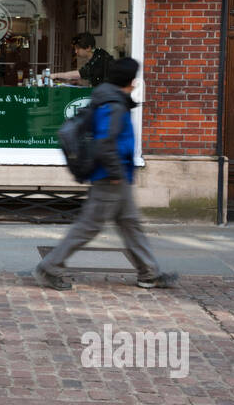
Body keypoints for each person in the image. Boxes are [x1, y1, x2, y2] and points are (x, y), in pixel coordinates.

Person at [33, 57, 179, 290]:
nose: (135, 84)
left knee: (131, 225)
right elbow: (105, 142)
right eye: (134, 79)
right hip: (111, 176)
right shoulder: (113, 104)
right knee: (88, 227)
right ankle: (49, 267)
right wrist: (114, 172)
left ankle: (149, 273)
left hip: (116, 174)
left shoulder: (111, 99)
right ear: (129, 80)